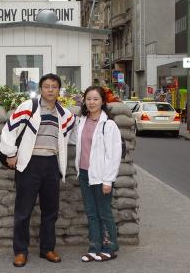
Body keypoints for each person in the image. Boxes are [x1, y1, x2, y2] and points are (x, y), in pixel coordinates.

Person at [0, 73, 75, 267]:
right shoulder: (28, 107)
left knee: (50, 211)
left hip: (51, 165)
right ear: (41, 89)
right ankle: (20, 251)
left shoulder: (65, 115)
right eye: (47, 86)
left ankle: (47, 249)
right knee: (23, 211)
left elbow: (74, 136)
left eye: (54, 87)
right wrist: (10, 153)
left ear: (59, 90)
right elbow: (9, 130)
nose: (50, 90)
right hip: (29, 164)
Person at [74, 86, 122, 262]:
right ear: (84, 101)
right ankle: (94, 247)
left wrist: (108, 180)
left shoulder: (108, 125)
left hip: (102, 176)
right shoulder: (82, 121)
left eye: (95, 99)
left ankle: (109, 248)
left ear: (102, 101)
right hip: (85, 174)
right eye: (88, 99)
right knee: (91, 213)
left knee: (104, 212)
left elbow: (114, 155)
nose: (92, 102)